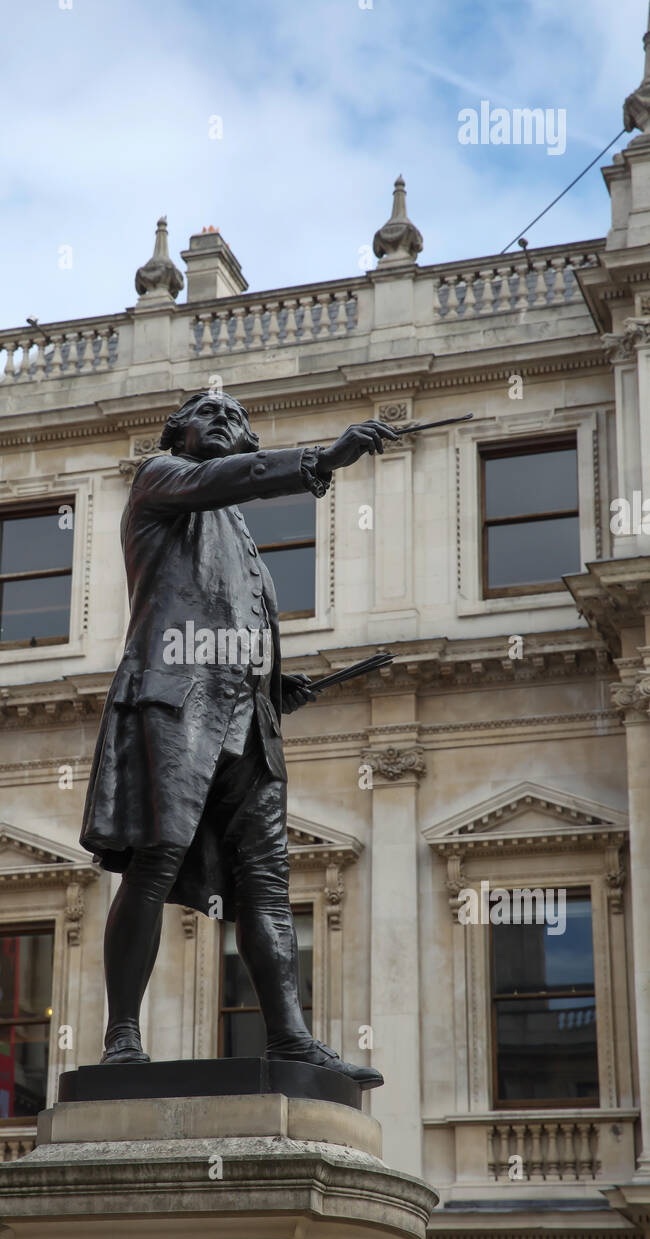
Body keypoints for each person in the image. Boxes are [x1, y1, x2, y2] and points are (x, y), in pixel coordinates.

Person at [80, 390, 397, 1081]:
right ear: (179, 434)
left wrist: (273, 685)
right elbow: (231, 480)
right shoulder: (163, 479)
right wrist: (324, 457)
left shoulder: (244, 543)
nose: (222, 422)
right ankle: (123, 1036)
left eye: (236, 419)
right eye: (207, 413)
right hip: (174, 701)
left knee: (267, 885)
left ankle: (288, 1037)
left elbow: (232, 623)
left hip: (248, 720)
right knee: (155, 860)